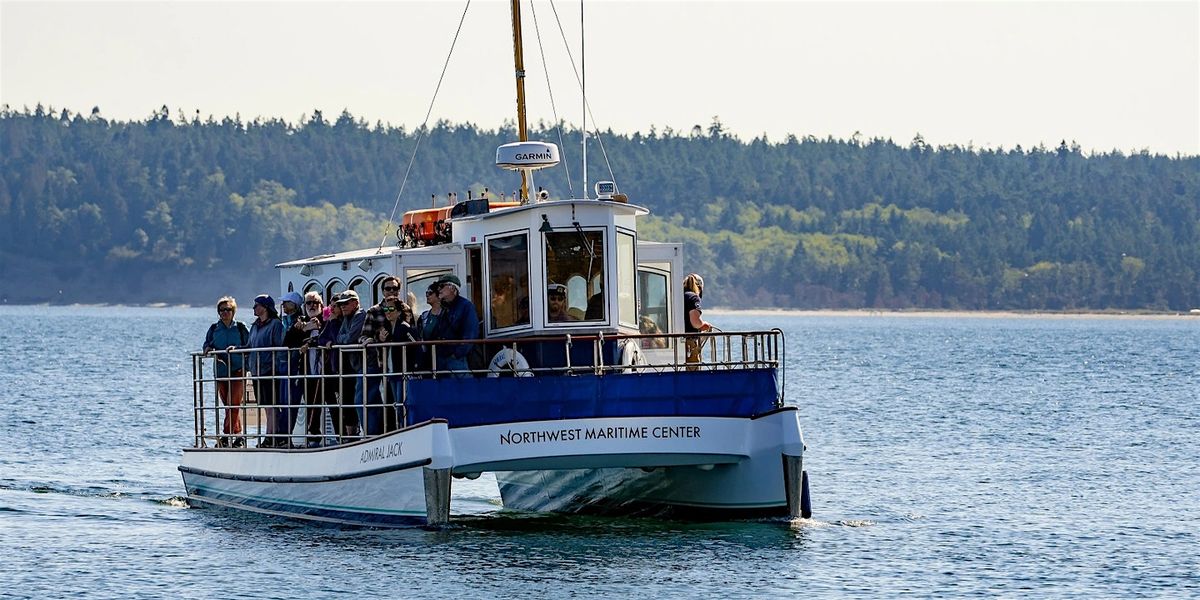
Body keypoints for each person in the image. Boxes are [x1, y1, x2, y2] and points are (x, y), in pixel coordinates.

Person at [202, 296, 250, 447]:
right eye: (222, 310)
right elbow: (206, 344)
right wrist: (207, 349)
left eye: (228, 310)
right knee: (228, 405)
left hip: (238, 370)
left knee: (233, 403)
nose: (225, 313)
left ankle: (226, 435)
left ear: (233, 311)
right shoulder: (214, 329)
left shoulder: (241, 328)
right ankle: (238, 435)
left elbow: (249, 345)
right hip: (221, 371)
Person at [357, 276, 402, 435]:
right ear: (382, 291)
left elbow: (412, 333)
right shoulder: (374, 311)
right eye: (388, 288)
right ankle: (380, 434)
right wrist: (376, 339)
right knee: (380, 400)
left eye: (394, 288)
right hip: (380, 363)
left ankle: (402, 431)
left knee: (399, 400)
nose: (391, 291)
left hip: (400, 364)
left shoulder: (405, 309)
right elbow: (363, 337)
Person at [247, 294, 285, 446]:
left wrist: (275, 365)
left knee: (272, 404)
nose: (254, 308)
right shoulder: (255, 326)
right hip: (257, 371)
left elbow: (280, 346)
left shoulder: (275, 325)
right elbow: (250, 346)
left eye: (256, 305)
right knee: (265, 404)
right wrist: (236, 349)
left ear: (265, 307)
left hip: (270, 370)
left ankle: (272, 436)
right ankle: (269, 434)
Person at [329, 290, 366, 437]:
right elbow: (339, 337)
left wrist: (343, 339)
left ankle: (366, 433)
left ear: (355, 303)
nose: (343, 307)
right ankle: (351, 434)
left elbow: (350, 337)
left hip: (362, 365)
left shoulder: (359, 316)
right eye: (341, 304)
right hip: (352, 366)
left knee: (360, 400)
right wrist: (342, 339)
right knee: (349, 400)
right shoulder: (346, 318)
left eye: (346, 303)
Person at [298, 291, 333, 447]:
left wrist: (311, 342)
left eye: (315, 303)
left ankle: (342, 433)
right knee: (312, 403)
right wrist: (304, 330)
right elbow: (289, 341)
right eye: (308, 303)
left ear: (321, 305)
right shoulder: (301, 322)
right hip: (309, 370)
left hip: (327, 370)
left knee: (333, 402)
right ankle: (314, 435)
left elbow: (328, 336)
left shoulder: (326, 321)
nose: (312, 306)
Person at [380, 297, 419, 430]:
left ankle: (406, 428)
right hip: (392, 372)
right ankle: (400, 428)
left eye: (391, 309)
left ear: (399, 311)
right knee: (397, 404)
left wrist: (414, 367)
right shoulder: (387, 328)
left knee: (403, 404)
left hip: (403, 372)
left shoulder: (404, 328)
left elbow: (417, 345)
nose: (388, 312)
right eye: (385, 308)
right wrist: (381, 341)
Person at [431, 274, 478, 376]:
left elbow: (471, 335)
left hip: (458, 361)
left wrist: (456, 354)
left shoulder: (466, 307)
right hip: (443, 361)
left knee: (461, 390)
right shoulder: (444, 308)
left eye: (442, 286)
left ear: (453, 288)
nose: (439, 289)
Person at [277, 291, 306, 442]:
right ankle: (282, 434)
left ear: (293, 305)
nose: (283, 305)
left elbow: (289, 340)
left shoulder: (299, 321)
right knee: (283, 401)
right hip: (283, 365)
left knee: (290, 402)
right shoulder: (284, 321)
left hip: (294, 365)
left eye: (286, 303)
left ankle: (285, 435)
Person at [683, 273, 712, 369]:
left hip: (676, 341)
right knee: (692, 370)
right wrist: (705, 325)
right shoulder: (693, 298)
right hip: (689, 343)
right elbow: (696, 323)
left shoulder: (676, 296)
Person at [416, 282, 444, 371]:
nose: (427, 295)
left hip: (444, 357)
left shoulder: (447, 314)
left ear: (439, 295)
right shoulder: (424, 316)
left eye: (430, 293)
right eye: (426, 293)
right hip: (427, 358)